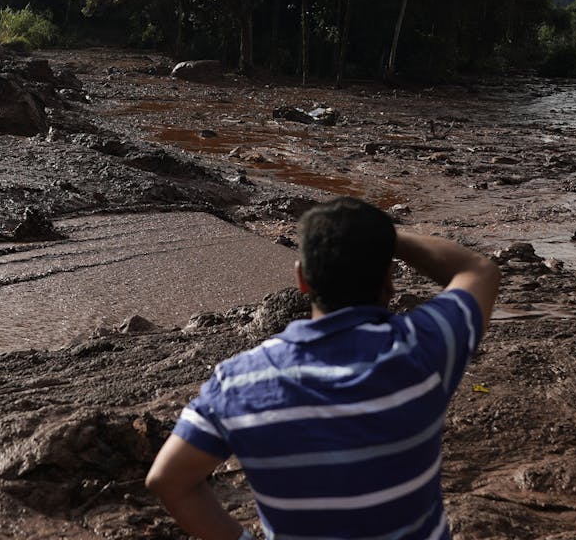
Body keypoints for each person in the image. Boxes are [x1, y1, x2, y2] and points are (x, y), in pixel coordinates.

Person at [146, 197, 501, 540]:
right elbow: (477, 269)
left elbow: (167, 480)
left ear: (302, 279)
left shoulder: (238, 382)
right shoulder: (424, 347)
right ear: (389, 282)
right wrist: (384, 239)